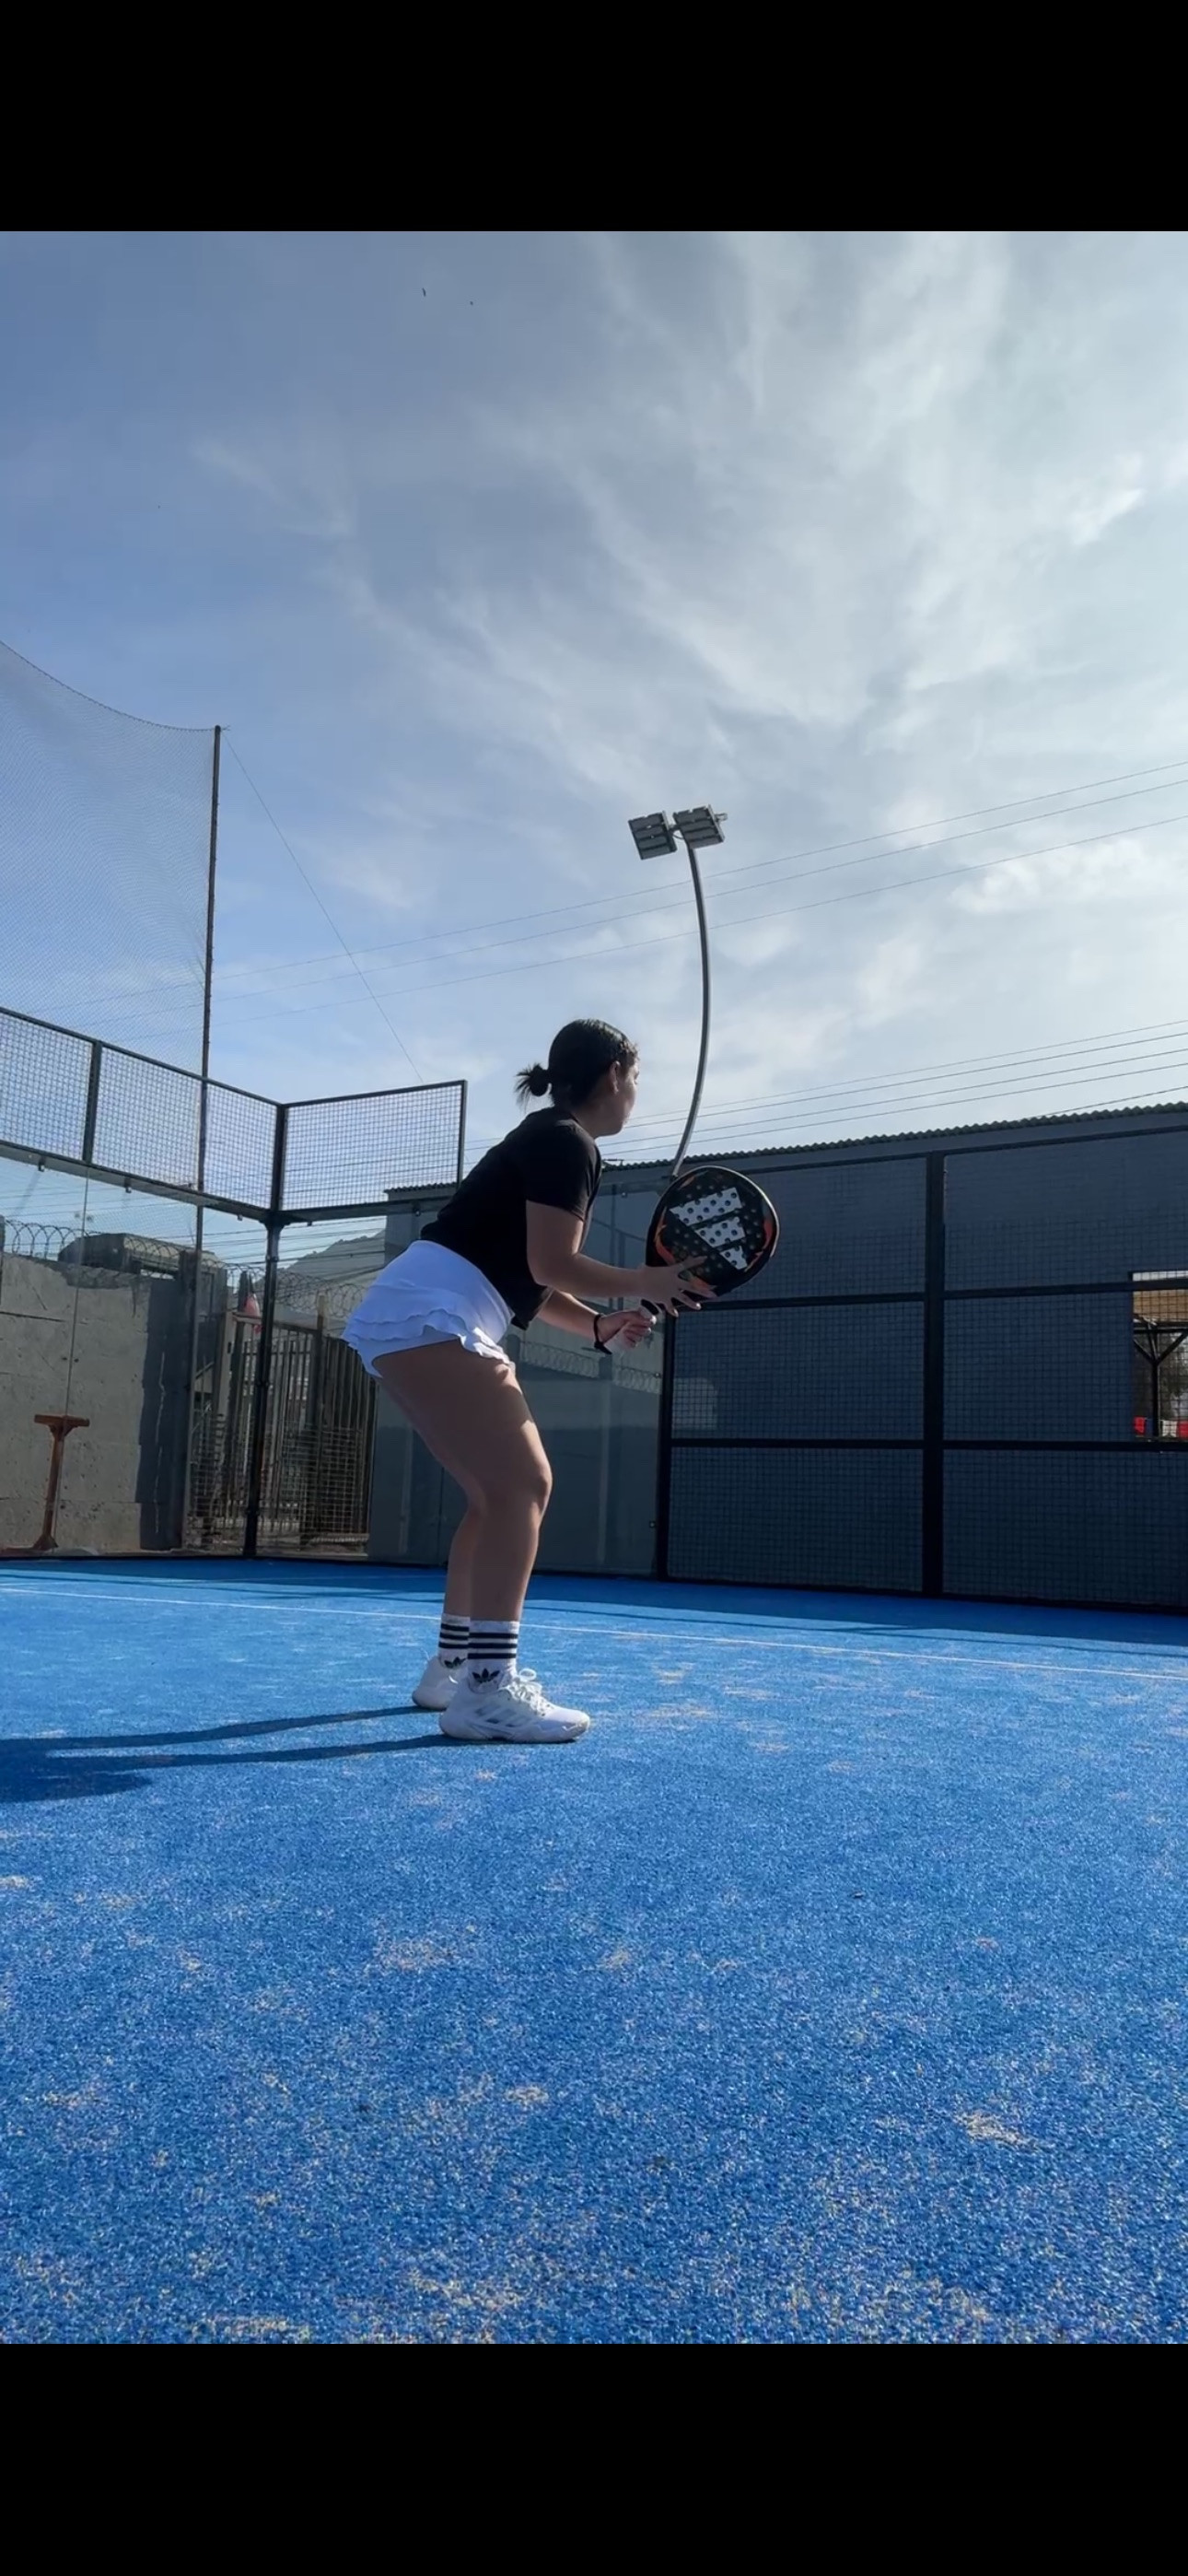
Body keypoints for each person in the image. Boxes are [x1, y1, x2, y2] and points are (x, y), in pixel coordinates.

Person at [342, 1019, 707, 1743]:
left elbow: (528, 1281)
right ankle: (488, 1688)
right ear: (613, 1075)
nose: (635, 1093)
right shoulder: (570, 1143)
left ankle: (452, 1669)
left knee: (494, 1498)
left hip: (417, 1312)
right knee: (525, 1485)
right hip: (434, 1313)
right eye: (635, 1078)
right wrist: (647, 1281)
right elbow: (552, 1263)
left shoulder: (548, 1138)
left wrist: (600, 1326)